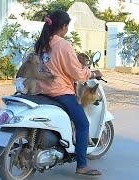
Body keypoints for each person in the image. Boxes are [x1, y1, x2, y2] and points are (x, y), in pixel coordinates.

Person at [35, 10, 102, 176]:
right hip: (60, 92)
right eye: (67, 27)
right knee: (83, 124)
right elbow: (77, 74)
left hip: (40, 90)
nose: (67, 30)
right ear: (63, 27)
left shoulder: (42, 43)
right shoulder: (64, 45)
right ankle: (82, 165)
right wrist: (92, 73)